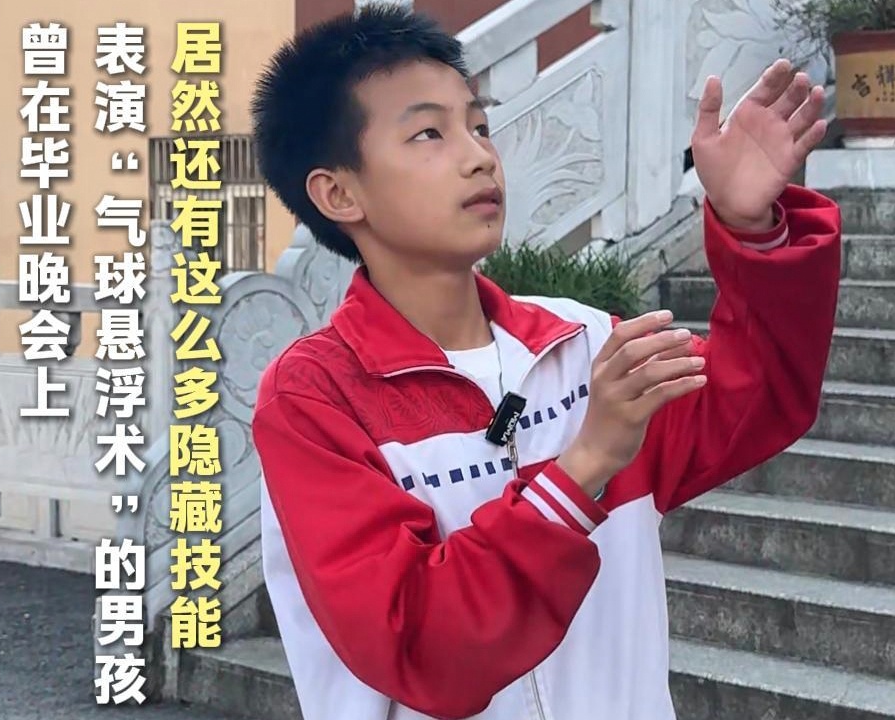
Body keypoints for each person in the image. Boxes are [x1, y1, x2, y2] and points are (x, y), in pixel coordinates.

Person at [250, 3, 841, 720]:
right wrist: (584, 464)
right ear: (339, 192)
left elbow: (761, 398)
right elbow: (423, 648)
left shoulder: (583, 342)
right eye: (429, 133)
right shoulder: (315, 400)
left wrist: (753, 230)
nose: (479, 156)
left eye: (479, 126)